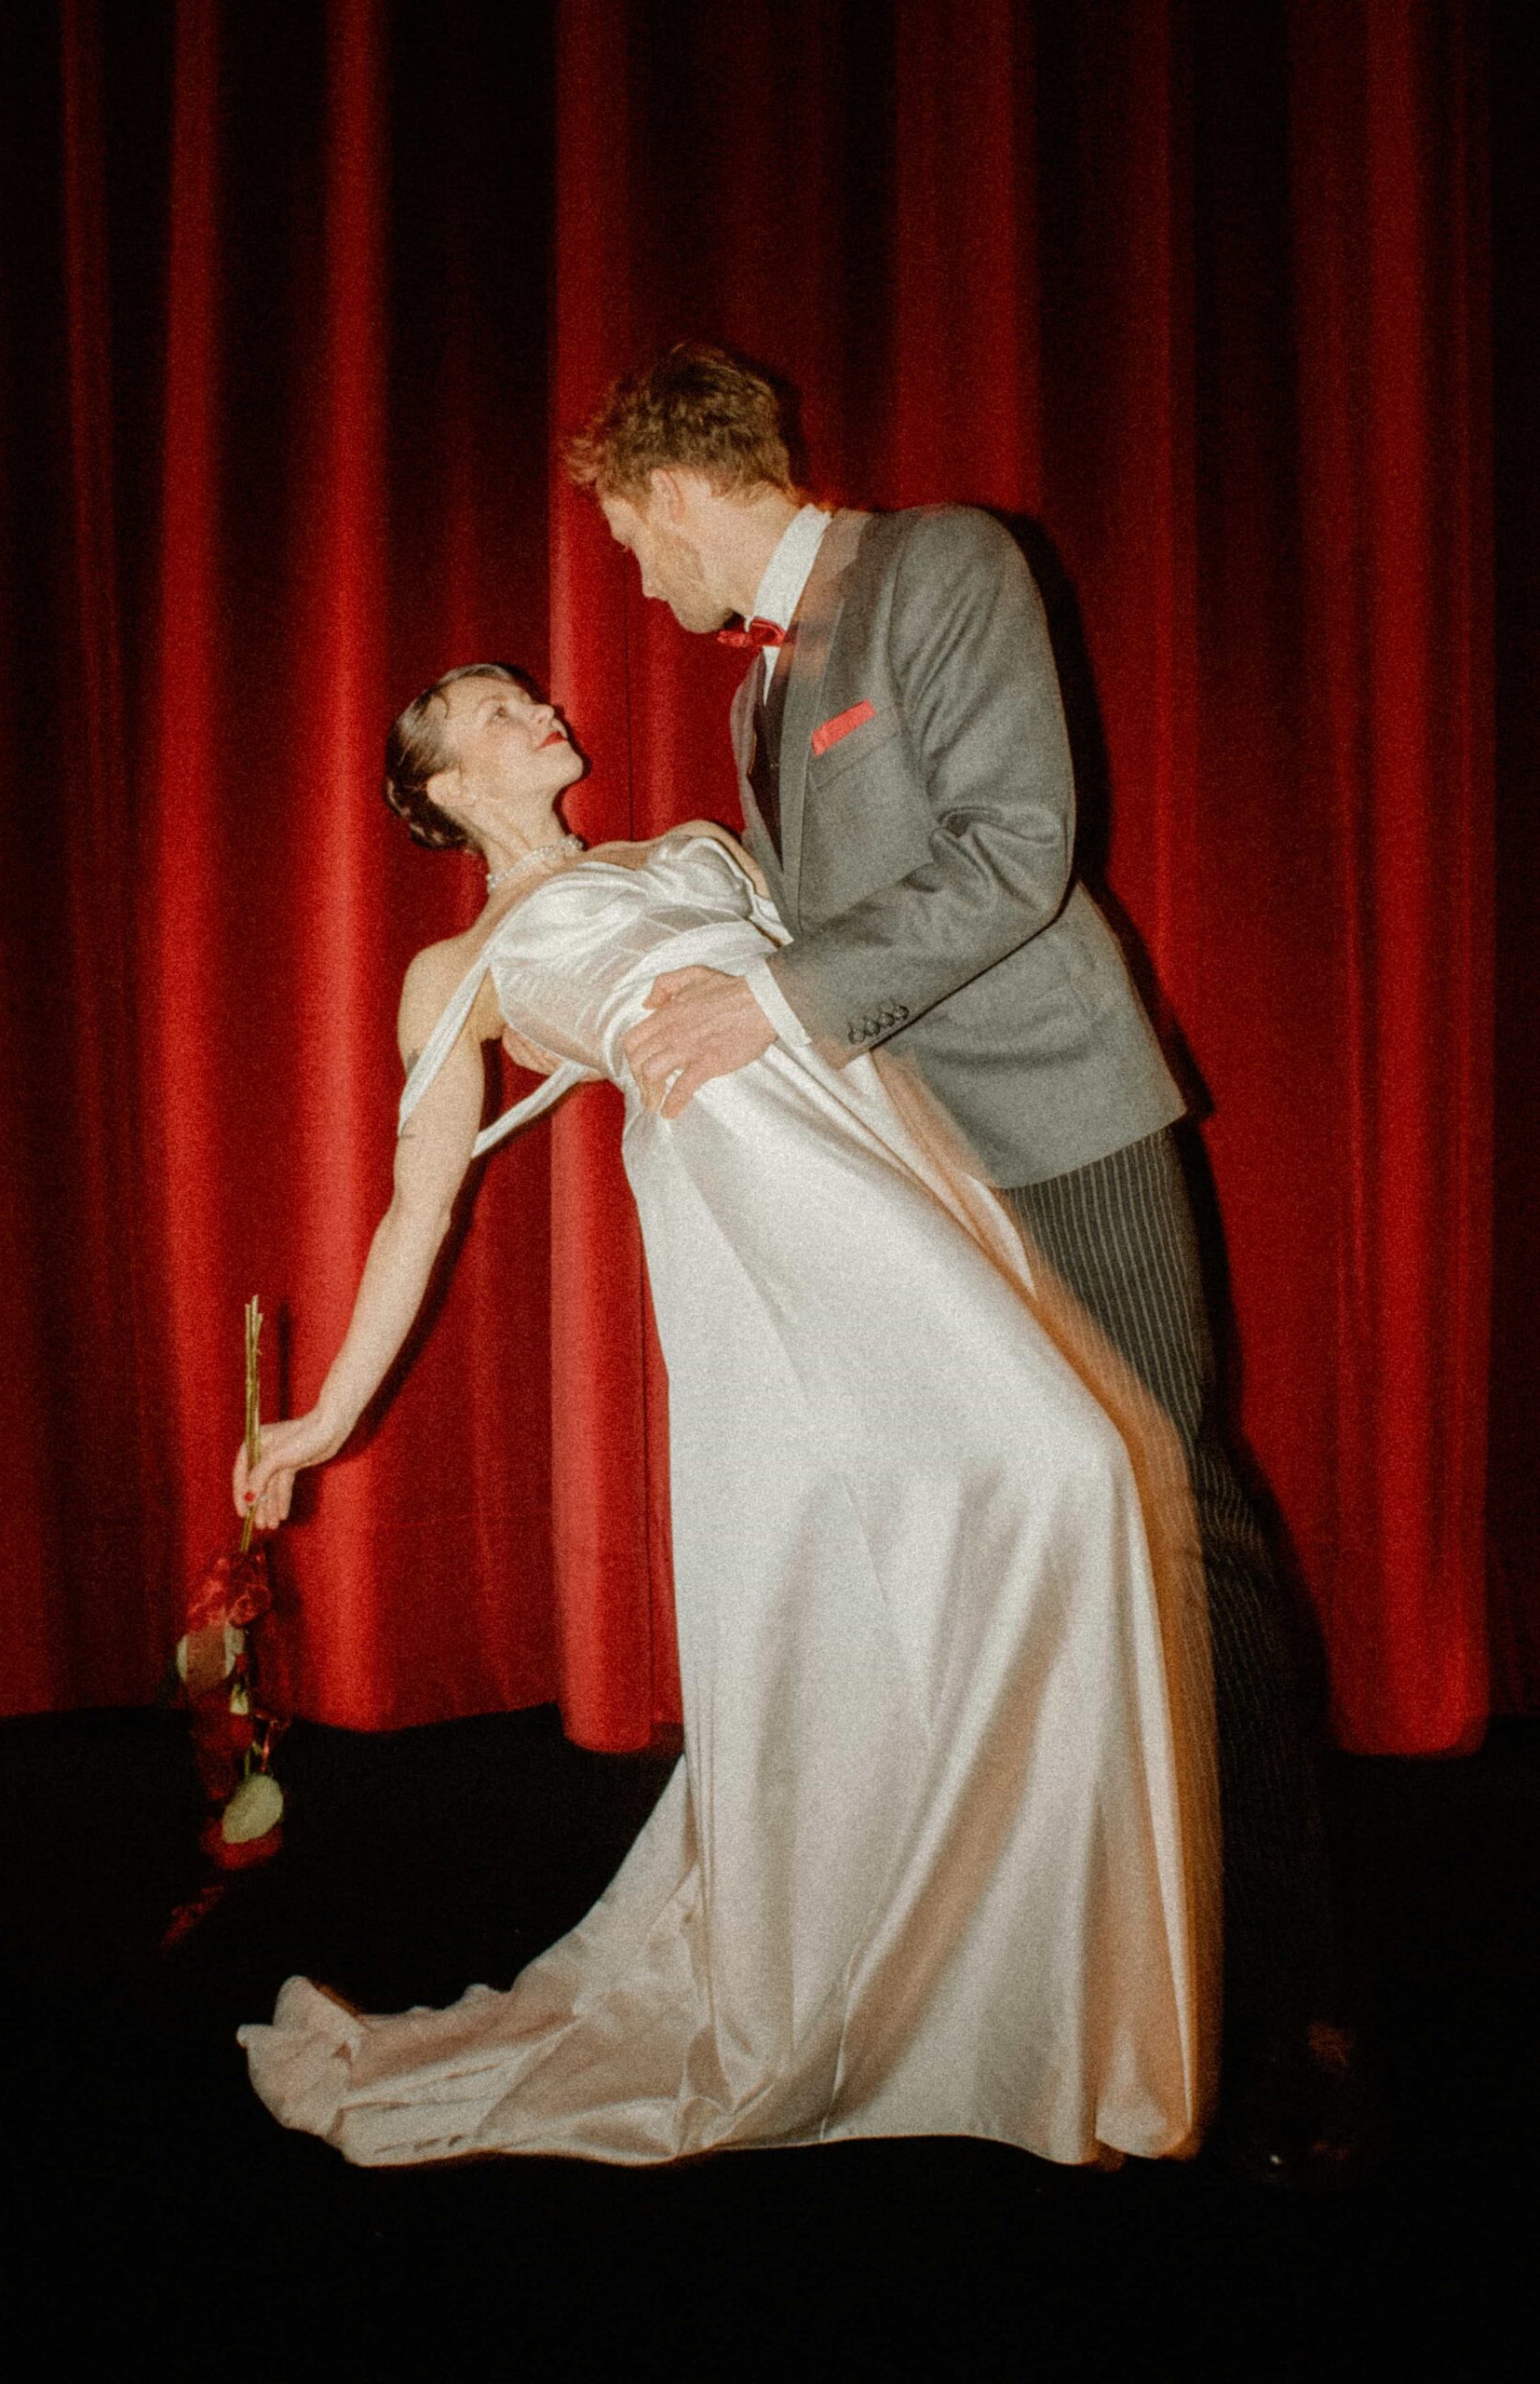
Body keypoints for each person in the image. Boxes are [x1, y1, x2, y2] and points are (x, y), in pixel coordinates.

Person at [233, 659, 1217, 2170]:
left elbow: (863, 968)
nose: (540, 710)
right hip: (752, 1197)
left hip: (885, 1142)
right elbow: (418, 1209)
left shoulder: (698, 845)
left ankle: (1018, 1981)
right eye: (496, 711)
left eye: (529, 693)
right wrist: (323, 1419)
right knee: (1059, 1470)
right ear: (442, 787)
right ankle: (946, 1965)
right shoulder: (461, 968)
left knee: (1043, 1491)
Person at [567, 342, 1357, 2188]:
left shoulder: (940, 564)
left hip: (1064, 1130)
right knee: (1019, 1544)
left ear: (675, 488)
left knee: (1171, 1509)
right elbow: (797, 934)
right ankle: (1082, 1958)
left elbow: (1016, 854)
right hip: (917, 1177)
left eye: (628, 539)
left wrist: (769, 997)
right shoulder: (758, 705)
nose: (641, 582)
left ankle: (1300, 2010)